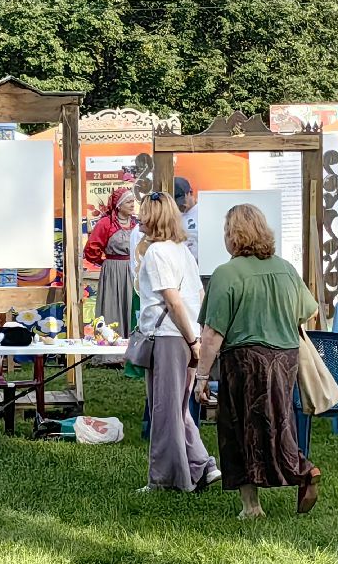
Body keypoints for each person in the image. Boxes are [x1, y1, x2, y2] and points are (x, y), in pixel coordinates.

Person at [193, 203, 321, 519]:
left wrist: (201, 376)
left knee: (239, 430)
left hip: (245, 361)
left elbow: (212, 333)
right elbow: (309, 310)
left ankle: (253, 505)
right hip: (285, 357)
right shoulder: (285, 269)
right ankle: (301, 468)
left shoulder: (226, 273)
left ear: (233, 236)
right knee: (277, 422)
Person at [134, 192, 222, 493]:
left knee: (164, 411)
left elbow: (172, 300)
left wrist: (192, 339)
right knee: (178, 408)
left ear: (154, 217)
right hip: (183, 335)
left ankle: (166, 479)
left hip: (170, 336)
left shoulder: (157, 252)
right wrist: (197, 336)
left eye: (144, 212)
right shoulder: (182, 250)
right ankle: (202, 465)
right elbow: (197, 296)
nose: (138, 218)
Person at [84, 186, 138, 340]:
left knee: (131, 305)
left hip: (132, 269)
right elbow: (91, 249)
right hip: (113, 270)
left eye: (133, 201)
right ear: (119, 205)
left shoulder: (136, 224)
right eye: (128, 201)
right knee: (113, 306)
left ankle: (132, 346)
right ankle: (111, 348)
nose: (132, 204)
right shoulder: (105, 224)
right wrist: (106, 263)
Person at [173, 176, 200, 264]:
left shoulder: (203, 213)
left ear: (190, 193)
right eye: (177, 202)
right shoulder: (172, 216)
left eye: (182, 201)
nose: (180, 206)